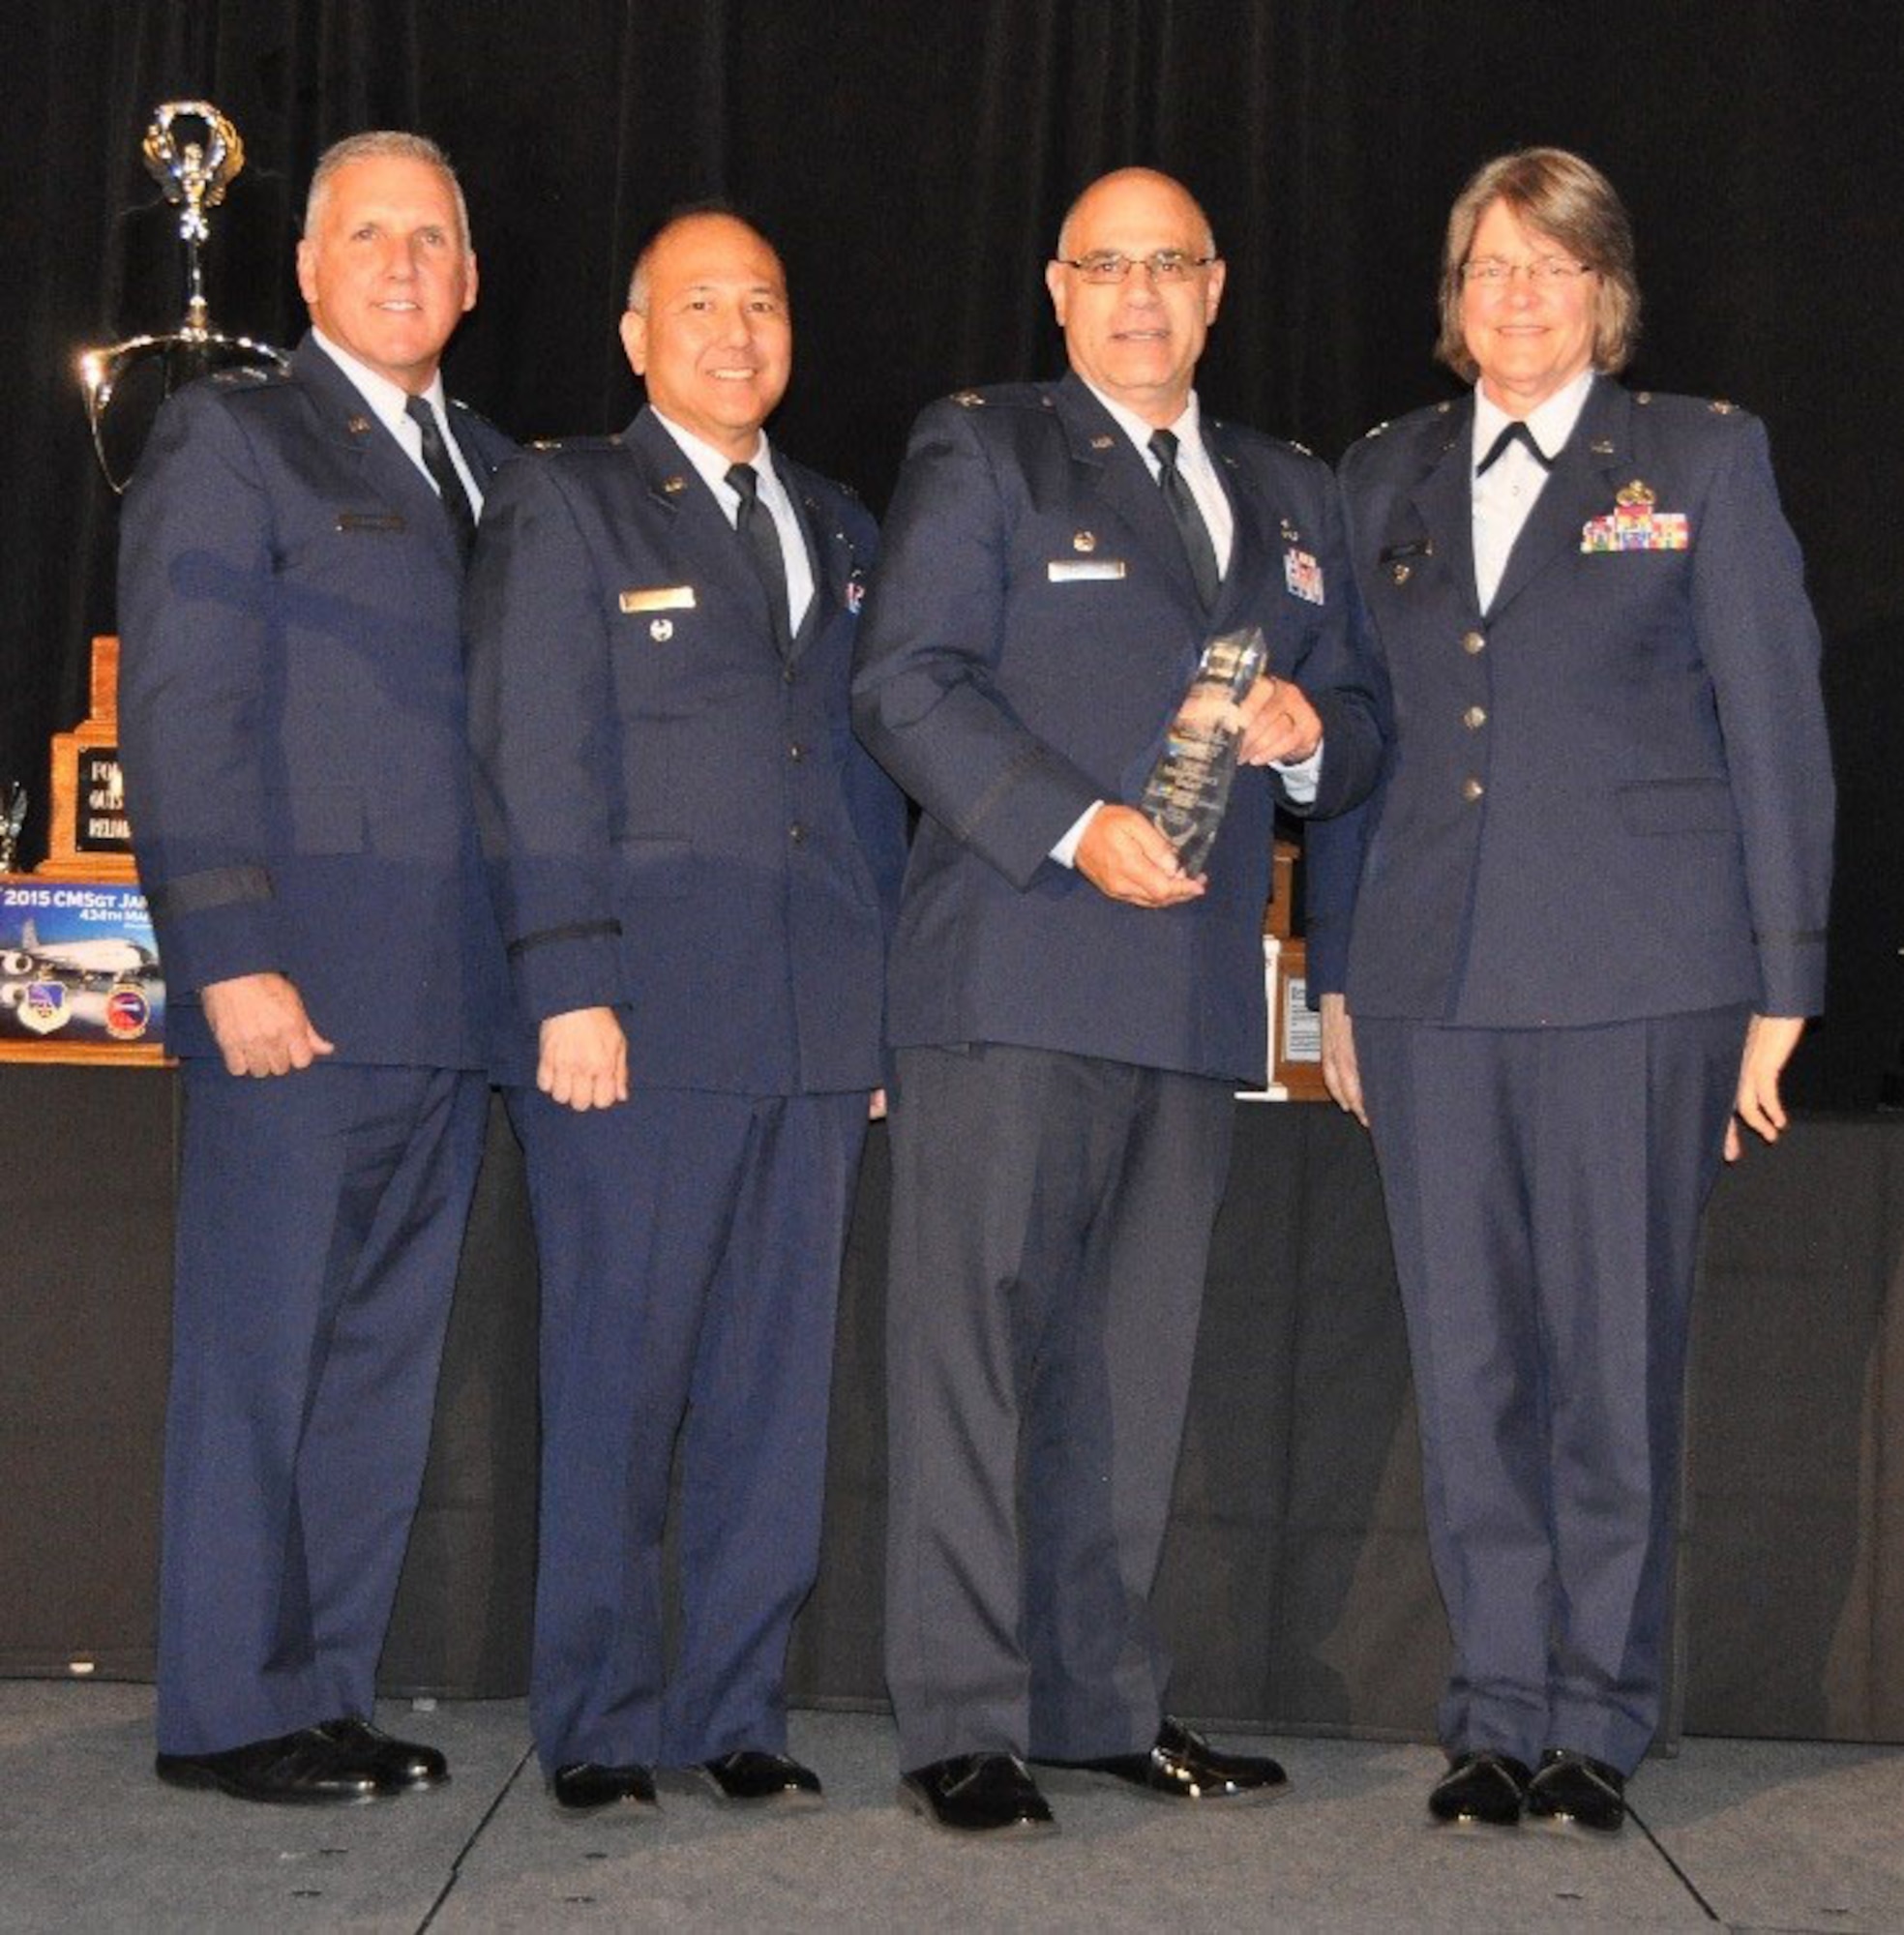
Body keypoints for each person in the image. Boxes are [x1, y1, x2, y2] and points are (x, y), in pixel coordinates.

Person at [1306, 147, 1833, 1832]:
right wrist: (1334, 982)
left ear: (1604, 293)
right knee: (1470, 1368)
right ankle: (1496, 1710)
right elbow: (1357, 739)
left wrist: (1786, 974)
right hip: (1430, 985)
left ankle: (1598, 1716)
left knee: (1611, 1359)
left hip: (1639, 979)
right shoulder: (1379, 474)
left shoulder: (1698, 455)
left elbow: (1776, 724)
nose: (1517, 296)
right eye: (1488, 269)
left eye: (1551, 267)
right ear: (1453, 302)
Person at [853, 166, 1382, 1836]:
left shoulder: (1292, 488)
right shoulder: (985, 448)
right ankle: (962, 1720)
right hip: (1013, 969)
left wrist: (1311, 743)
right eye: (1108, 266)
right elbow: (904, 683)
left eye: (1172, 265)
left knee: (1129, 1375)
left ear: (1217, 289)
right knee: (975, 1366)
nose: (1140, 294)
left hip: (1194, 999)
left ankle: (1096, 1702)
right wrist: (1073, 828)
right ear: (1058, 289)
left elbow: (1361, 719)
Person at [464, 208, 904, 1818]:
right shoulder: (567, 503)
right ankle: (595, 1720)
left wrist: (867, 1024)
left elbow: (865, 788)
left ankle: (736, 1710)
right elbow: (534, 755)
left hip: (809, 1033)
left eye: (764, 302)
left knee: (774, 1401)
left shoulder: (843, 527)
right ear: (636, 336)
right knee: (620, 1386)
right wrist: (568, 979)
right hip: (634, 1026)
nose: (736, 330)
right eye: (698, 304)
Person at [118, 131, 515, 1802]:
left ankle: (324, 1687)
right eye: (373, 235)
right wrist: (228, 955)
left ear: (475, 274)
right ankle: (226, 1709)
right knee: (261, 1359)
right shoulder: (235, 431)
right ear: (308, 264)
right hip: (295, 988)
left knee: (373, 1368)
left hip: (453, 999)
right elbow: (182, 711)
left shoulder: (499, 463)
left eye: (436, 236)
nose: (406, 263)